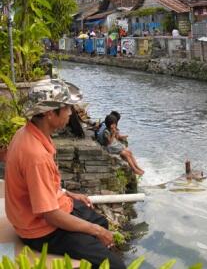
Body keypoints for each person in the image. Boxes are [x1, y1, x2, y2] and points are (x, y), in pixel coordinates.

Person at [5, 79, 125, 269]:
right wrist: (96, 231)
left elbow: (43, 186)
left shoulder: (29, 133)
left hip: (49, 210)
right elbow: (51, 215)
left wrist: (67, 194)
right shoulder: (36, 155)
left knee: (101, 221)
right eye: (67, 108)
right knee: (115, 265)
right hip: (41, 230)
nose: (71, 113)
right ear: (50, 113)